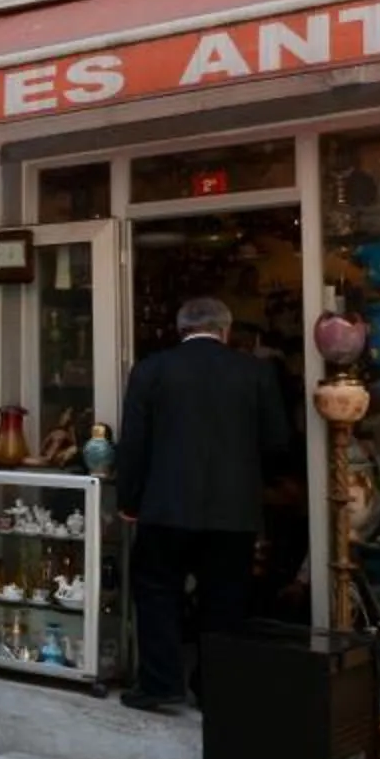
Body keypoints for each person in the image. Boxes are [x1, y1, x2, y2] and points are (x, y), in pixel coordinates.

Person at [112, 294, 293, 713]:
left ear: (181, 330)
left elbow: (134, 443)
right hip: (234, 510)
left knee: (157, 590)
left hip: (166, 506)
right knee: (225, 599)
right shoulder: (255, 371)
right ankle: (216, 687)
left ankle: (160, 682)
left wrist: (129, 500)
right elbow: (276, 441)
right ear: (225, 331)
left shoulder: (152, 369)